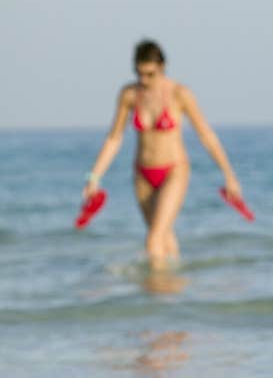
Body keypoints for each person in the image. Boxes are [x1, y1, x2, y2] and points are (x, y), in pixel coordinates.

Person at [82, 39, 244, 270]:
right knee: (163, 237)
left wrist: (229, 176)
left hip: (174, 170)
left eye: (150, 74)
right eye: (139, 74)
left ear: (162, 67)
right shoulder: (130, 95)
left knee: (153, 239)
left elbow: (206, 135)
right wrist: (94, 178)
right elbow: (114, 138)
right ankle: (173, 294)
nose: (144, 80)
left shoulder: (180, 94)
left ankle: (155, 297)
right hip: (142, 174)